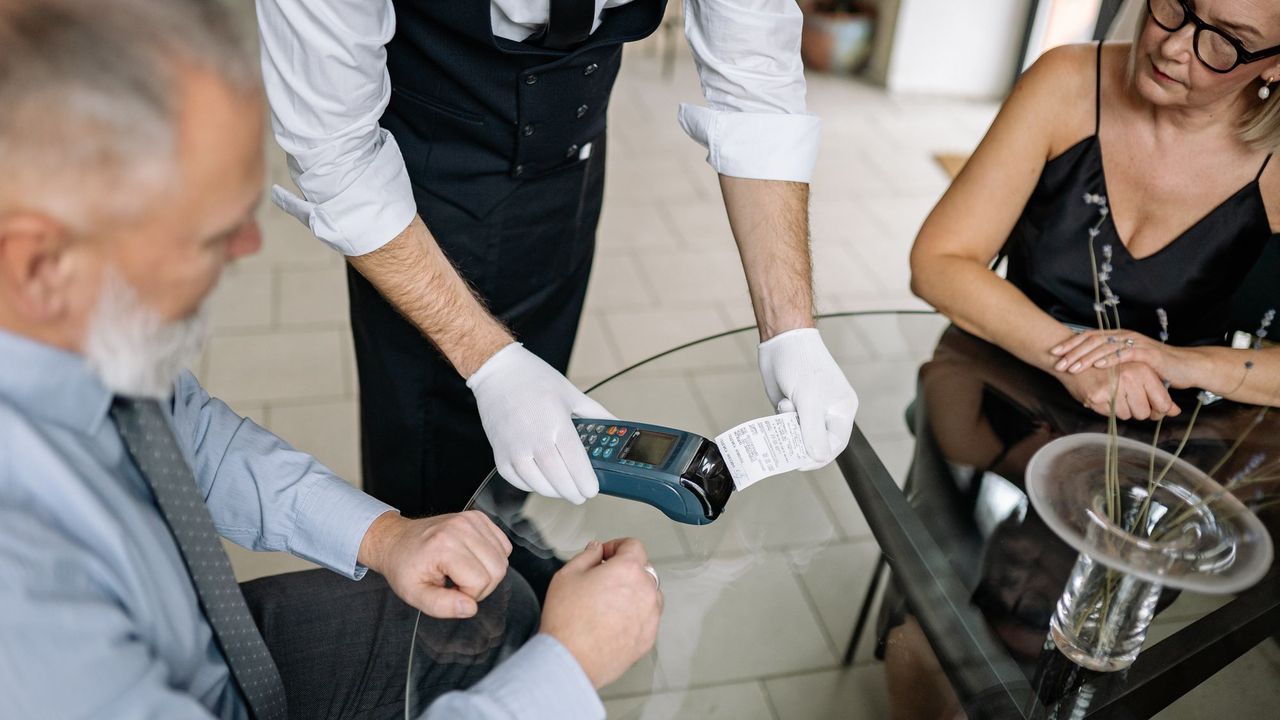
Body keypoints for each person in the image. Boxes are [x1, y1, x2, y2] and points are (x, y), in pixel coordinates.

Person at [0, 1, 660, 718]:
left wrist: (385, 536)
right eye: (207, 233)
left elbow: (180, 435)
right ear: (40, 263)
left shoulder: (55, 337)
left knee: (486, 612)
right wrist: (569, 669)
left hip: (203, 641)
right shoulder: (31, 599)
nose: (249, 250)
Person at [255, 0, 861, 515]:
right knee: (431, 468)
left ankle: (506, 526)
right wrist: (490, 365)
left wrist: (791, 330)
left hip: (572, 166)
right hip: (420, 197)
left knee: (541, 421)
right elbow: (334, 157)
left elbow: (755, 73)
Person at [910, 0, 1280, 423]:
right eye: (1177, 5)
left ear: (1274, 66)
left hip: (1164, 434)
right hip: (996, 392)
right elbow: (937, 264)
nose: (1172, 46)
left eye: (1226, 41)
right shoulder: (1066, 82)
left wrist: (1177, 362)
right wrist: (1080, 362)